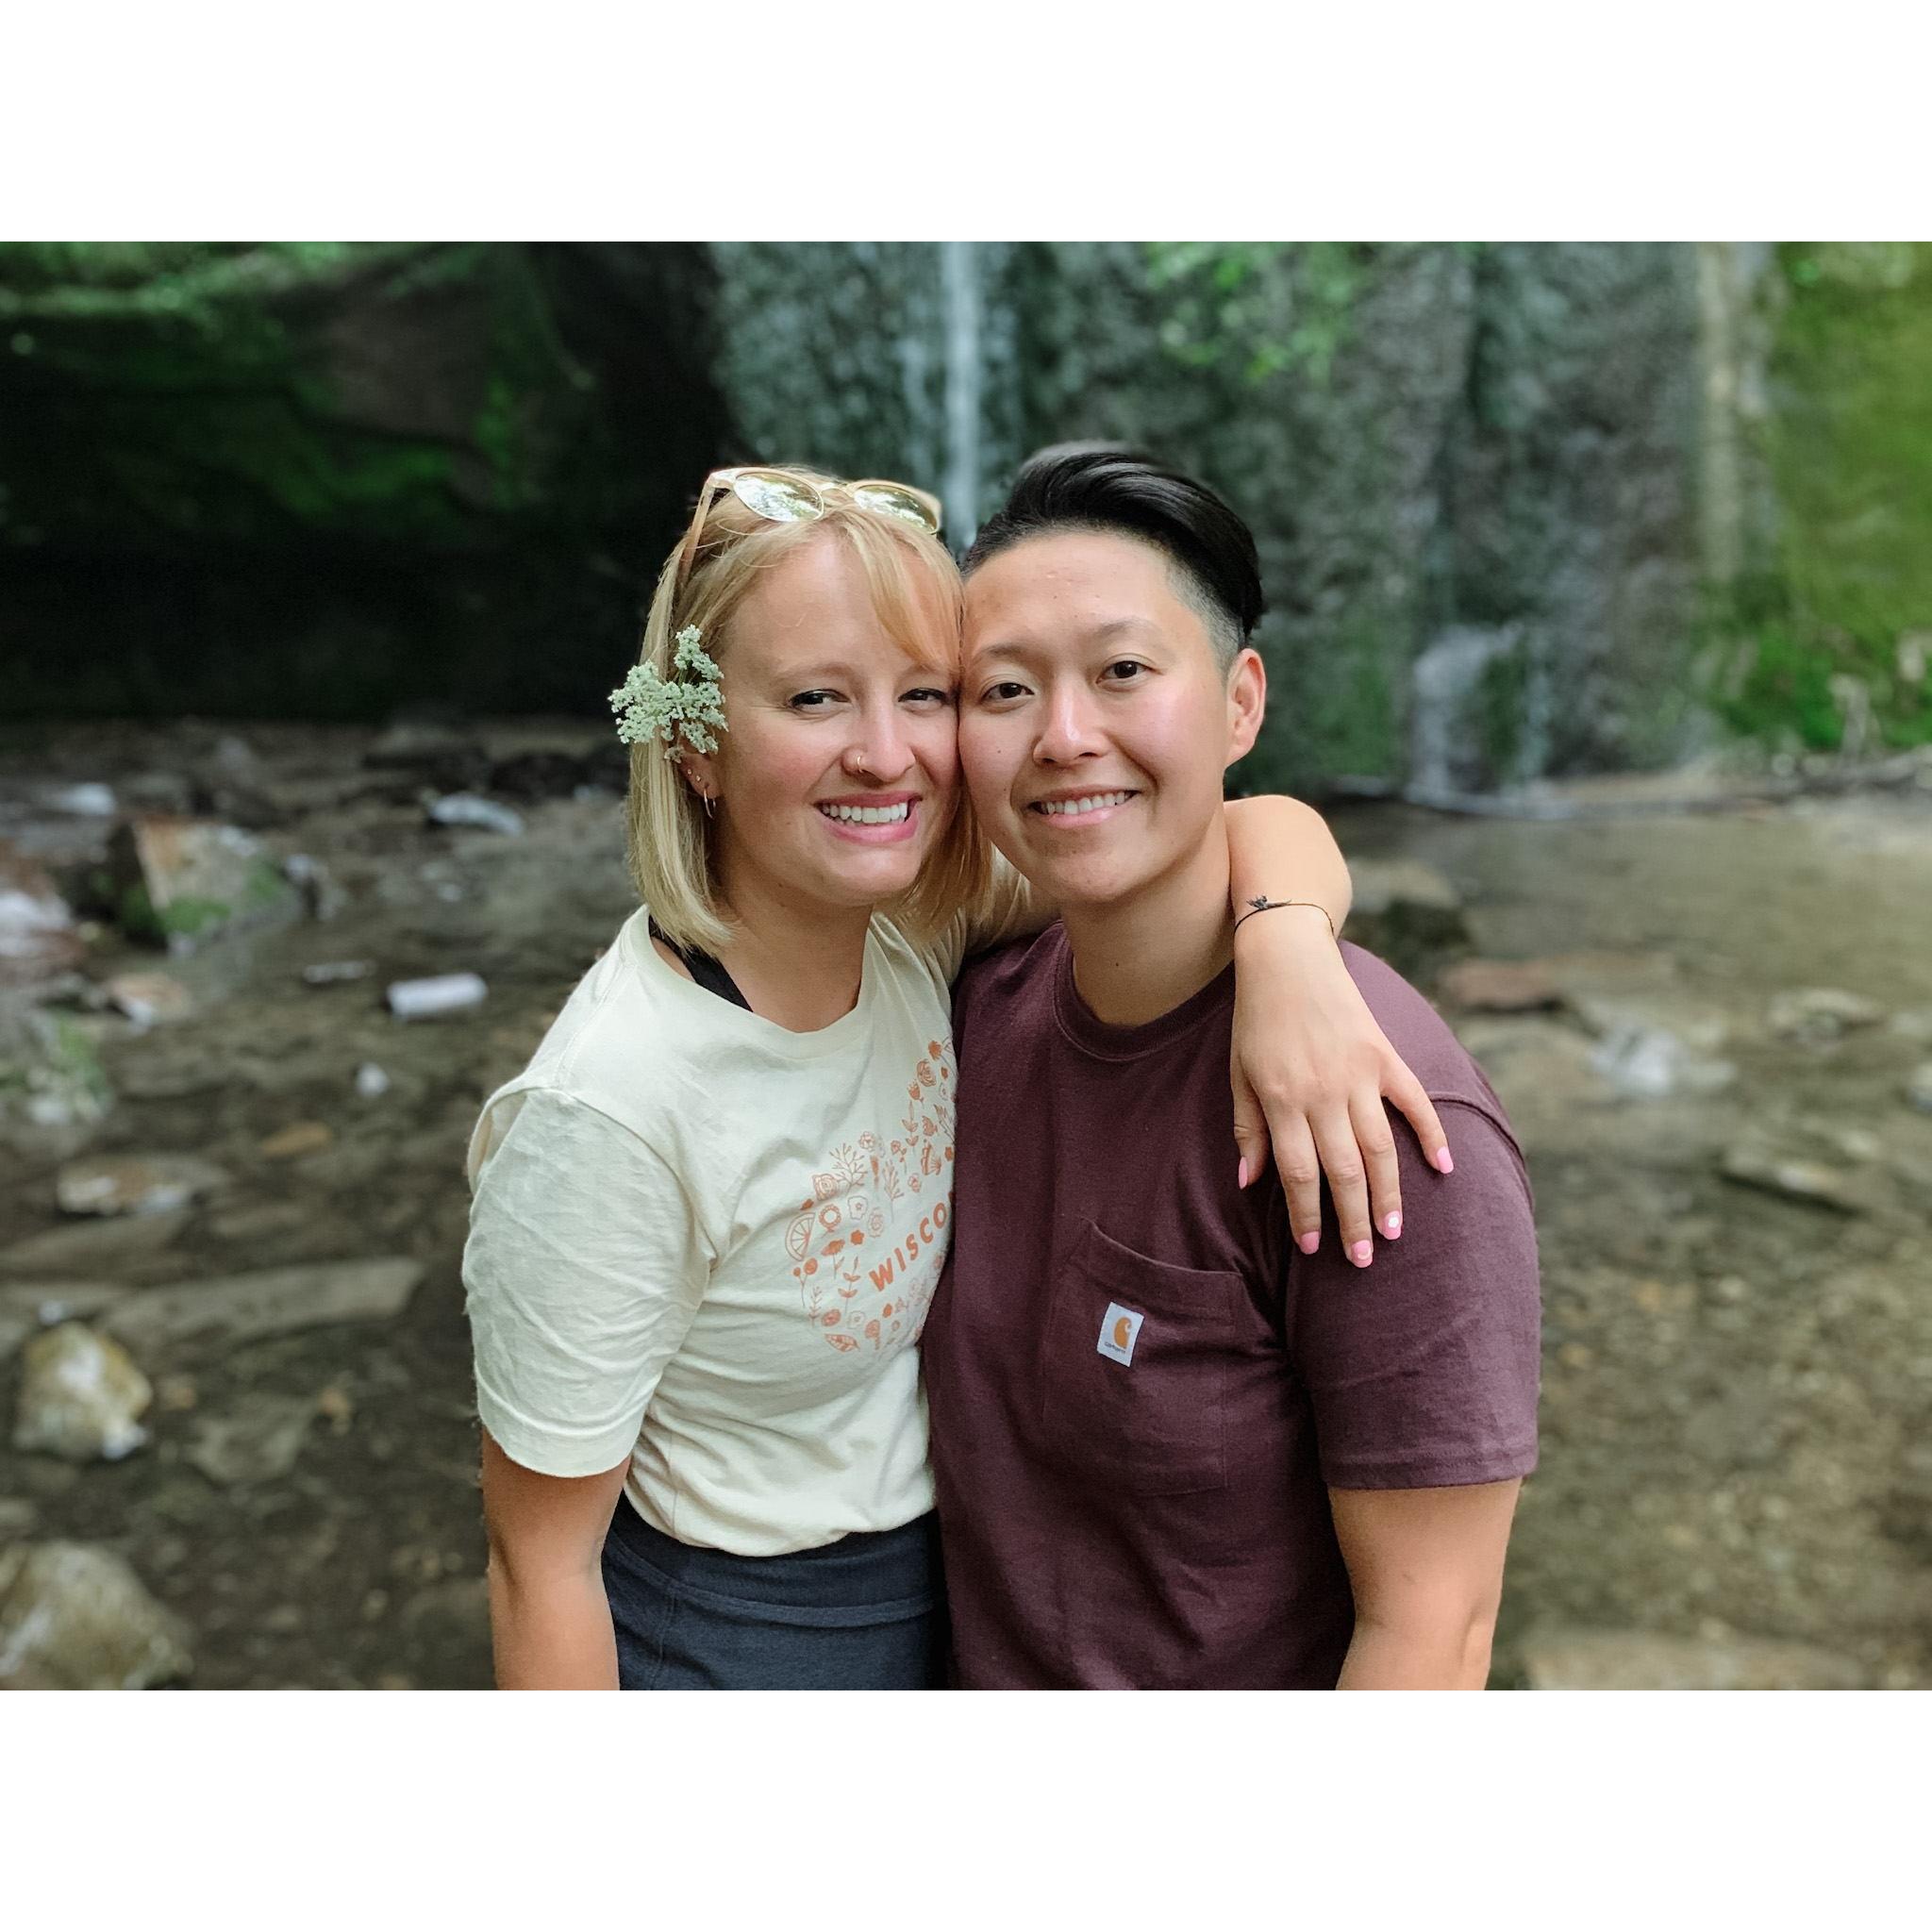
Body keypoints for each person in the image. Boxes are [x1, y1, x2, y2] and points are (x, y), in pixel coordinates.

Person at [462, 464, 1453, 1690]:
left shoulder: (907, 928)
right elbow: (535, 1567)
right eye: (818, 697)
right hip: (735, 1635)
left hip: (952, 1598)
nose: (888, 757)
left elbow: (1202, 824)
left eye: (925, 695)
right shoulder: (610, 1108)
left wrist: (1290, 944)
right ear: (697, 745)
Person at [922, 444, 1542, 1689]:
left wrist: (1292, 937)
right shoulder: (973, 996)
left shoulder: (1380, 1123)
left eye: (1124, 671)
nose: (1064, 735)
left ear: (1241, 703)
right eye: (1003, 691)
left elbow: (1434, 1632)